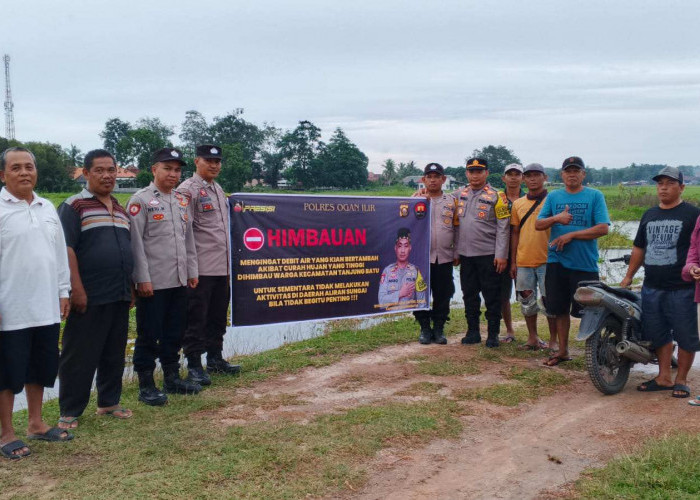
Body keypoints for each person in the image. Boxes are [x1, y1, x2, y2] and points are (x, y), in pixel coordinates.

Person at [0, 147, 73, 460]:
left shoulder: (47, 207)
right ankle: (5, 433)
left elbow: (59, 255)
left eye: (29, 166)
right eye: (16, 168)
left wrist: (63, 290)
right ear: (3, 174)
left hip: (44, 306)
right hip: (9, 309)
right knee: (6, 373)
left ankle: (36, 423)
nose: (24, 172)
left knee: (39, 367)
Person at [56, 150, 135, 429]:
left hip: (119, 292)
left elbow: (127, 249)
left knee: (114, 350)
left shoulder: (120, 206)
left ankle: (109, 403)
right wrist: (75, 288)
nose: (107, 176)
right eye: (99, 170)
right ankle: (69, 410)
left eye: (111, 170)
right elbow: (66, 249)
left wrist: (132, 285)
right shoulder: (74, 206)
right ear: (86, 174)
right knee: (79, 353)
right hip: (88, 293)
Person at [128, 147, 201, 406]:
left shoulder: (181, 200)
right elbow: (135, 244)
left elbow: (188, 240)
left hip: (179, 279)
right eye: (167, 168)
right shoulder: (141, 200)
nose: (173, 174)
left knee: (175, 331)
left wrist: (192, 271)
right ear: (154, 170)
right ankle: (146, 384)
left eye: (177, 170)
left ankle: (172, 377)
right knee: (149, 333)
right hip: (154, 283)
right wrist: (142, 279)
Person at [620, 166, 700, 398]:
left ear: (682, 187)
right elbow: (639, 248)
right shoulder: (649, 214)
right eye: (660, 183)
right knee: (658, 333)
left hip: (683, 287)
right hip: (652, 286)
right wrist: (628, 276)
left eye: (670, 183)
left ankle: (682, 379)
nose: (663, 187)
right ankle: (664, 376)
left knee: (686, 334)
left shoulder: (693, 214)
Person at [535, 156, 609, 366]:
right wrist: (556, 219)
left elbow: (602, 228)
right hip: (557, 262)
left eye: (576, 171)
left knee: (590, 312)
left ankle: (596, 353)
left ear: (583, 174)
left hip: (584, 264)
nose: (572, 174)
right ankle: (563, 351)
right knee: (558, 309)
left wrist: (572, 235)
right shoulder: (554, 197)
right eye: (568, 171)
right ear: (562, 174)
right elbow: (539, 224)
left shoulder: (595, 196)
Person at [179, 144, 241, 385]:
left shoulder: (217, 188)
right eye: (209, 161)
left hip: (221, 267)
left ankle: (215, 358)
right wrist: (190, 269)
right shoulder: (188, 190)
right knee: (196, 318)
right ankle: (194, 364)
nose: (214, 165)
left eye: (217, 161)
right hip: (200, 269)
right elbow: (184, 231)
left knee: (217, 316)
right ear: (197, 162)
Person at [454, 157, 510, 348]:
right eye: (471, 171)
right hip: (465, 256)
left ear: (486, 173)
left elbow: (503, 228)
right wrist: (421, 192)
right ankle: (473, 332)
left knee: (492, 296)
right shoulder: (458, 194)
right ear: (466, 173)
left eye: (479, 171)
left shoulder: (497, 196)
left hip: (489, 255)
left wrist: (501, 255)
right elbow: (439, 200)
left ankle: (493, 334)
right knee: (469, 294)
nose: (475, 175)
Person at [510, 163, 557, 350]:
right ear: (524, 179)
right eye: (528, 176)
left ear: (544, 177)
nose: (532, 179)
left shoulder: (553, 201)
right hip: (524, 261)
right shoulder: (518, 204)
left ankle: (554, 340)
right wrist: (513, 261)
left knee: (549, 302)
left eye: (536, 175)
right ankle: (532, 337)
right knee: (526, 301)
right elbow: (514, 233)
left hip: (549, 260)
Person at [412, 162, 458, 344]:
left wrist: (457, 251)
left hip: (445, 256)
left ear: (443, 179)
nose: (432, 180)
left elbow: (457, 228)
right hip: (421, 257)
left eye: (436, 177)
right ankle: (424, 328)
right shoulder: (415, 199)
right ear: (423, 180)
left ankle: (438, 328)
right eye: (429, 177)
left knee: (443, 293)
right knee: (420, 294)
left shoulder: (451, 201)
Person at [500, 163, 526, 343]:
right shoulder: (497, 198)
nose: (514, 177)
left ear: (522, 178)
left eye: (517, 174)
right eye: (510, 174)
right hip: (502, 251)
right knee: (503, 294)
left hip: (525, 250)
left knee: (526, 292)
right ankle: (509, 330)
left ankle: (533, 333)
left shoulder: (529, 199)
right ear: (504, 178)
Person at [378, 228, 428, 311]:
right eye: (400, 246)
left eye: (406, 246)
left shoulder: (415, 271)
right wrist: (400, 293)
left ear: (410, 248)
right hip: (391, 317)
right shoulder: (387, 271)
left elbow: (422, 303)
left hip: (408, 316)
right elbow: (381, 301)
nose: (402, 251)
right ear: (395, 248)